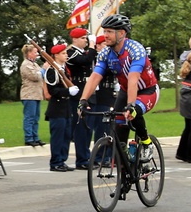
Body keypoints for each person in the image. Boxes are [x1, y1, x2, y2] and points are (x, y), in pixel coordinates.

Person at [78, 14, 160, 163]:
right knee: (118, 124)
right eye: (104, 31)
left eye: (109, 31)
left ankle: (146, 142)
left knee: (133, 113)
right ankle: (124, 165)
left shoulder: (135, 50)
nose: (105, 35)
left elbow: (133, 79)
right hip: (125, 90)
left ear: (121, 33)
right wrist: (83, 100)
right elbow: (94, 78)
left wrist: (131, 105)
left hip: (147, 91)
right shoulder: (105, 53)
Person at [44, 44, 78, 171]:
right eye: (63, 53)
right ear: (56, 55)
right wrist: (68, 92)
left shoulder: (64, 69)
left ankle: (62, 160)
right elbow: (53, 90)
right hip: (57, 109)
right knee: (58, 137)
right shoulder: (52, 70)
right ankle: (55, 162)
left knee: (66, 136)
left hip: (66, 108)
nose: (66, 55)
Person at [66, 28, 95, 169]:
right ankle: (82, 159)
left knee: (87, 128)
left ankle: (86, 157)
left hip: (86, 90)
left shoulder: (82, 52)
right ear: (75, 39)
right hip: (78, 92)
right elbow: (87, 60)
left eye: (86, 38)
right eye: (83, 38)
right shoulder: (70, 53)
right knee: (80, 128)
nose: (85, 40)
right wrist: (92, 46)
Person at [89, 35, 117, 149]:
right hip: (101, 93)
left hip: (110, 92)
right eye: (104, 45)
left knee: (111, 127)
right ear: (98, 46)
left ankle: (109, 155)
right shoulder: (98, 59)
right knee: (102, 126)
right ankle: (100, 155)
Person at [20, 44, 45, 147]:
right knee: (29, 117)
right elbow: (35, 76)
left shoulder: (34, 64)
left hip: (37, 94)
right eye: (35, 52)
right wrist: (44, 69)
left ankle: (35, 137)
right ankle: (28, 137)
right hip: (29, 95)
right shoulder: (26, 65)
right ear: (29, 53)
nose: (37, 54)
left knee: (36, 117)